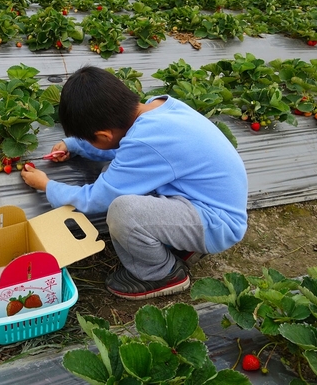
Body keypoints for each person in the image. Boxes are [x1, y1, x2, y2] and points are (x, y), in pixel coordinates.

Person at [20, 65, 248, 300]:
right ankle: (180, 243)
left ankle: (161, 273)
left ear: (104, 136)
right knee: (121, 177)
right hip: (202, 200)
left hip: (218, 223)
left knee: (123, 211)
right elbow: (126, 148)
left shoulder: (146, 140)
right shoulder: (157, 109)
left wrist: (47, 185)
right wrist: (75, 145)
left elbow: (96, 198)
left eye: (89, 139)